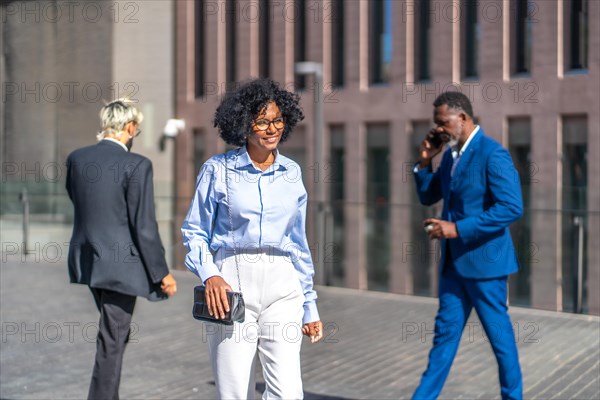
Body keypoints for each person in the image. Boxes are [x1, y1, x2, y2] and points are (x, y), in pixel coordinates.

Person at [181, 78, 323, 399]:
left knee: (288, 393)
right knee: (234, 392)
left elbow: (297, 243)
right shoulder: (218, 170)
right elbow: (195, 231)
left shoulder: (291, 173)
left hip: (283, 287)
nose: (272, 128)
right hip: (231, 284)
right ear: (244, 125)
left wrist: (309, 305)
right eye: (262, 121)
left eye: (277, 120)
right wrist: (210, 275)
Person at [411, 91, 523, 400]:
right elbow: (428, 196)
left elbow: (511, 207)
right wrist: (424, 161)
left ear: (462, 117)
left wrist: (457, 229)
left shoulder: (492, 154)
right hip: (453, 269)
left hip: (486, 266)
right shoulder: (449, 155)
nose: (438, 130)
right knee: (442, 342)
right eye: (435, 124)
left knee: (501, 345)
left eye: (442, 123)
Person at [66, 99, 177, 400]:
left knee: (114, 333)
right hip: (120, 266)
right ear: (130, 128)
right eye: (137, 130)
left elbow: (79, 202)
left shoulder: (77, 158)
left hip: (88, 261)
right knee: (112, 339)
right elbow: (144, 226)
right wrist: (162, 273)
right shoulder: (137, 165)